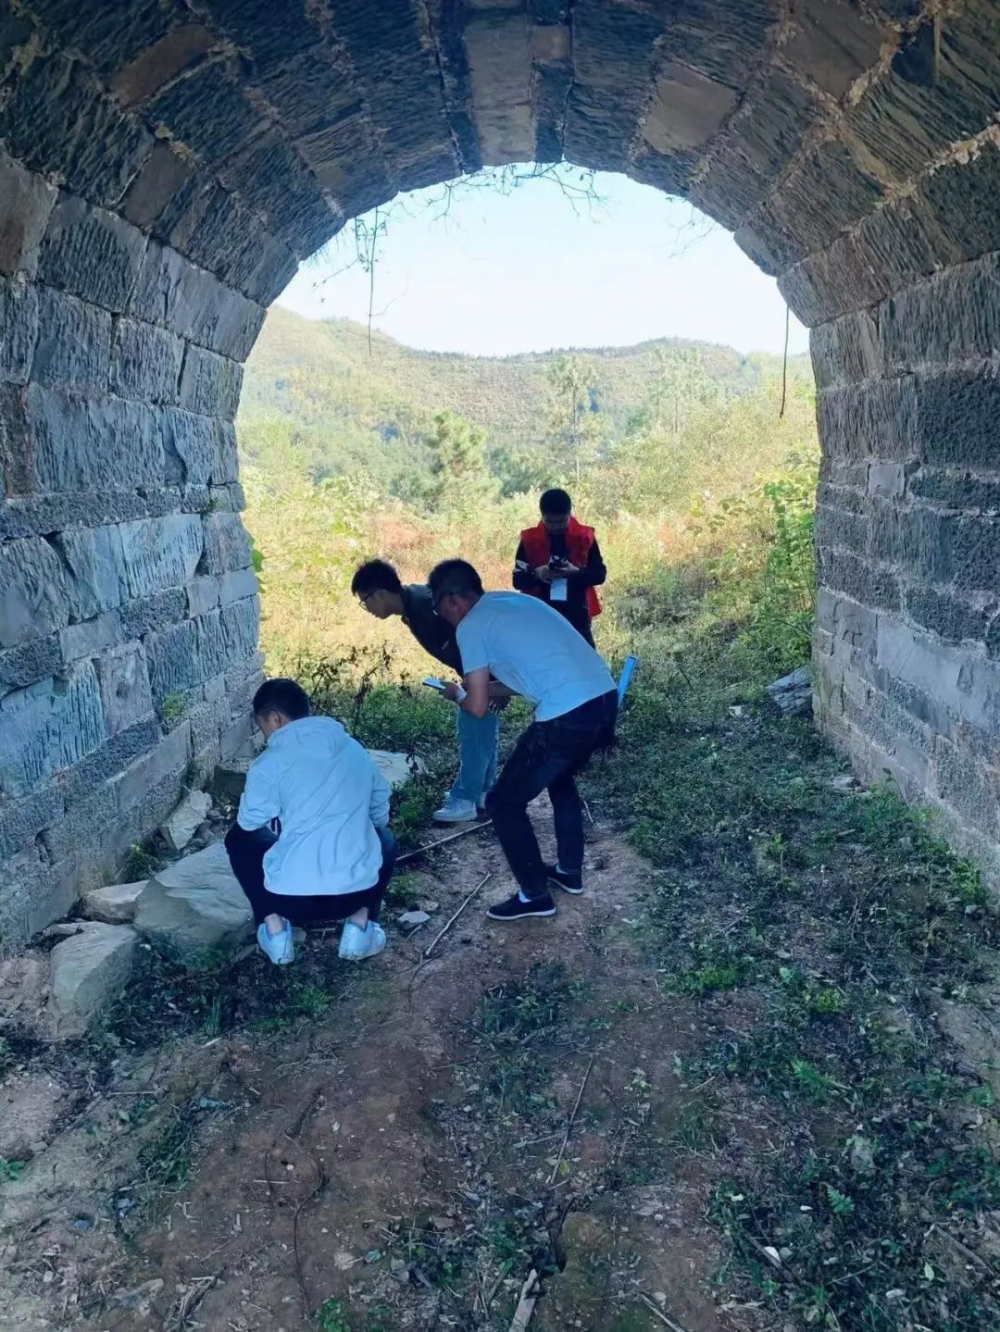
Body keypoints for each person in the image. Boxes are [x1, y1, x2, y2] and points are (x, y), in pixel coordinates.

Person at [428, 558, 618, 922]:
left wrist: (456, 694)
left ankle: (535, 895)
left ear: (451, 600)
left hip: (567, 714)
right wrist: (482, 689)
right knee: (560, 778)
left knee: (502, 802)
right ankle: (569, 872)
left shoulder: (471, 625)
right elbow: (530, 675)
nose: (443, 617)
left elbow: (477, 709)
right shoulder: (513, 602)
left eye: (439, 608)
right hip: (603, 698)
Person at [225, 678, 397, 966]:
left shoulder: (270, 762)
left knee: (239, 839)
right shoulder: (354, 749)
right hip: (355, 895)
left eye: (262, 726)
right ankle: (359, 927)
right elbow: (380, 811)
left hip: (288, 901)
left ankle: (275, 932)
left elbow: (248, 823)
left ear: (275, 719)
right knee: (384, 838)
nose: (265, 736)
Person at [352, 558, 500, 824]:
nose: (367, 609)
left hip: (485, 669)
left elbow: (469, 633)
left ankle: (465, 799)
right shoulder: (413, 605)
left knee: (473, 729)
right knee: (483, 730)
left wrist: (490, 682)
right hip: (479, 670)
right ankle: (484, 793)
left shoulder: (425, 606)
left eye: (365, 601)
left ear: (380, 593)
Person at [512, 488, 606, 646]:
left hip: (576, 612)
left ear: (570, 514)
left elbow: (600, 574)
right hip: (540, 612)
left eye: (561, 522)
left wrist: (576, 572)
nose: (555, 527)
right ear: (542, 516)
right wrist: (538, 573)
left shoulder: (584, 537)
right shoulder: (529, 540)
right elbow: (517, 581)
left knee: (583, 656)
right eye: (550, 522)